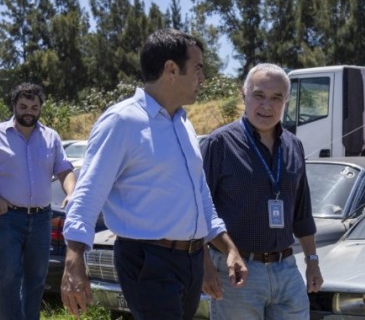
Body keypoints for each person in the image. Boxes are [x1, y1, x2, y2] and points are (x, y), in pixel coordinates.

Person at [60, 29, 248, 320]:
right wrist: (73, 261)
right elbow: (88, 193)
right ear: (171, 69)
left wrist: (227, 247)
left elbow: (200, 194)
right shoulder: (122, 121)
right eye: (197, 68)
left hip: (190, 262)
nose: (203, 79)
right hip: (149, 261)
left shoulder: (182, 123)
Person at [200, 63, 323, 320]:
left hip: (287, 269)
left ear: (285, 102)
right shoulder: (219, 144)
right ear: (244, 96)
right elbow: (196, 212)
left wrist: (312, 260)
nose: (266, 106)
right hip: (238, 271)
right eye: (259, 96)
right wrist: (205, 267)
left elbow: (302, 212)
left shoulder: (294, 146)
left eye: (276, 98)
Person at [0, 83, 76, 320]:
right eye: (23, 106)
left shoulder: (50, 136)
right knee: (8, 276)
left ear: (40, 107)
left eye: (34, 106)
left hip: (43, 217)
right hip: (8, 218)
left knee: (37, 278)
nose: (29, 111)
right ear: (14, 105)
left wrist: (71, 192)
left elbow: (64, 170)